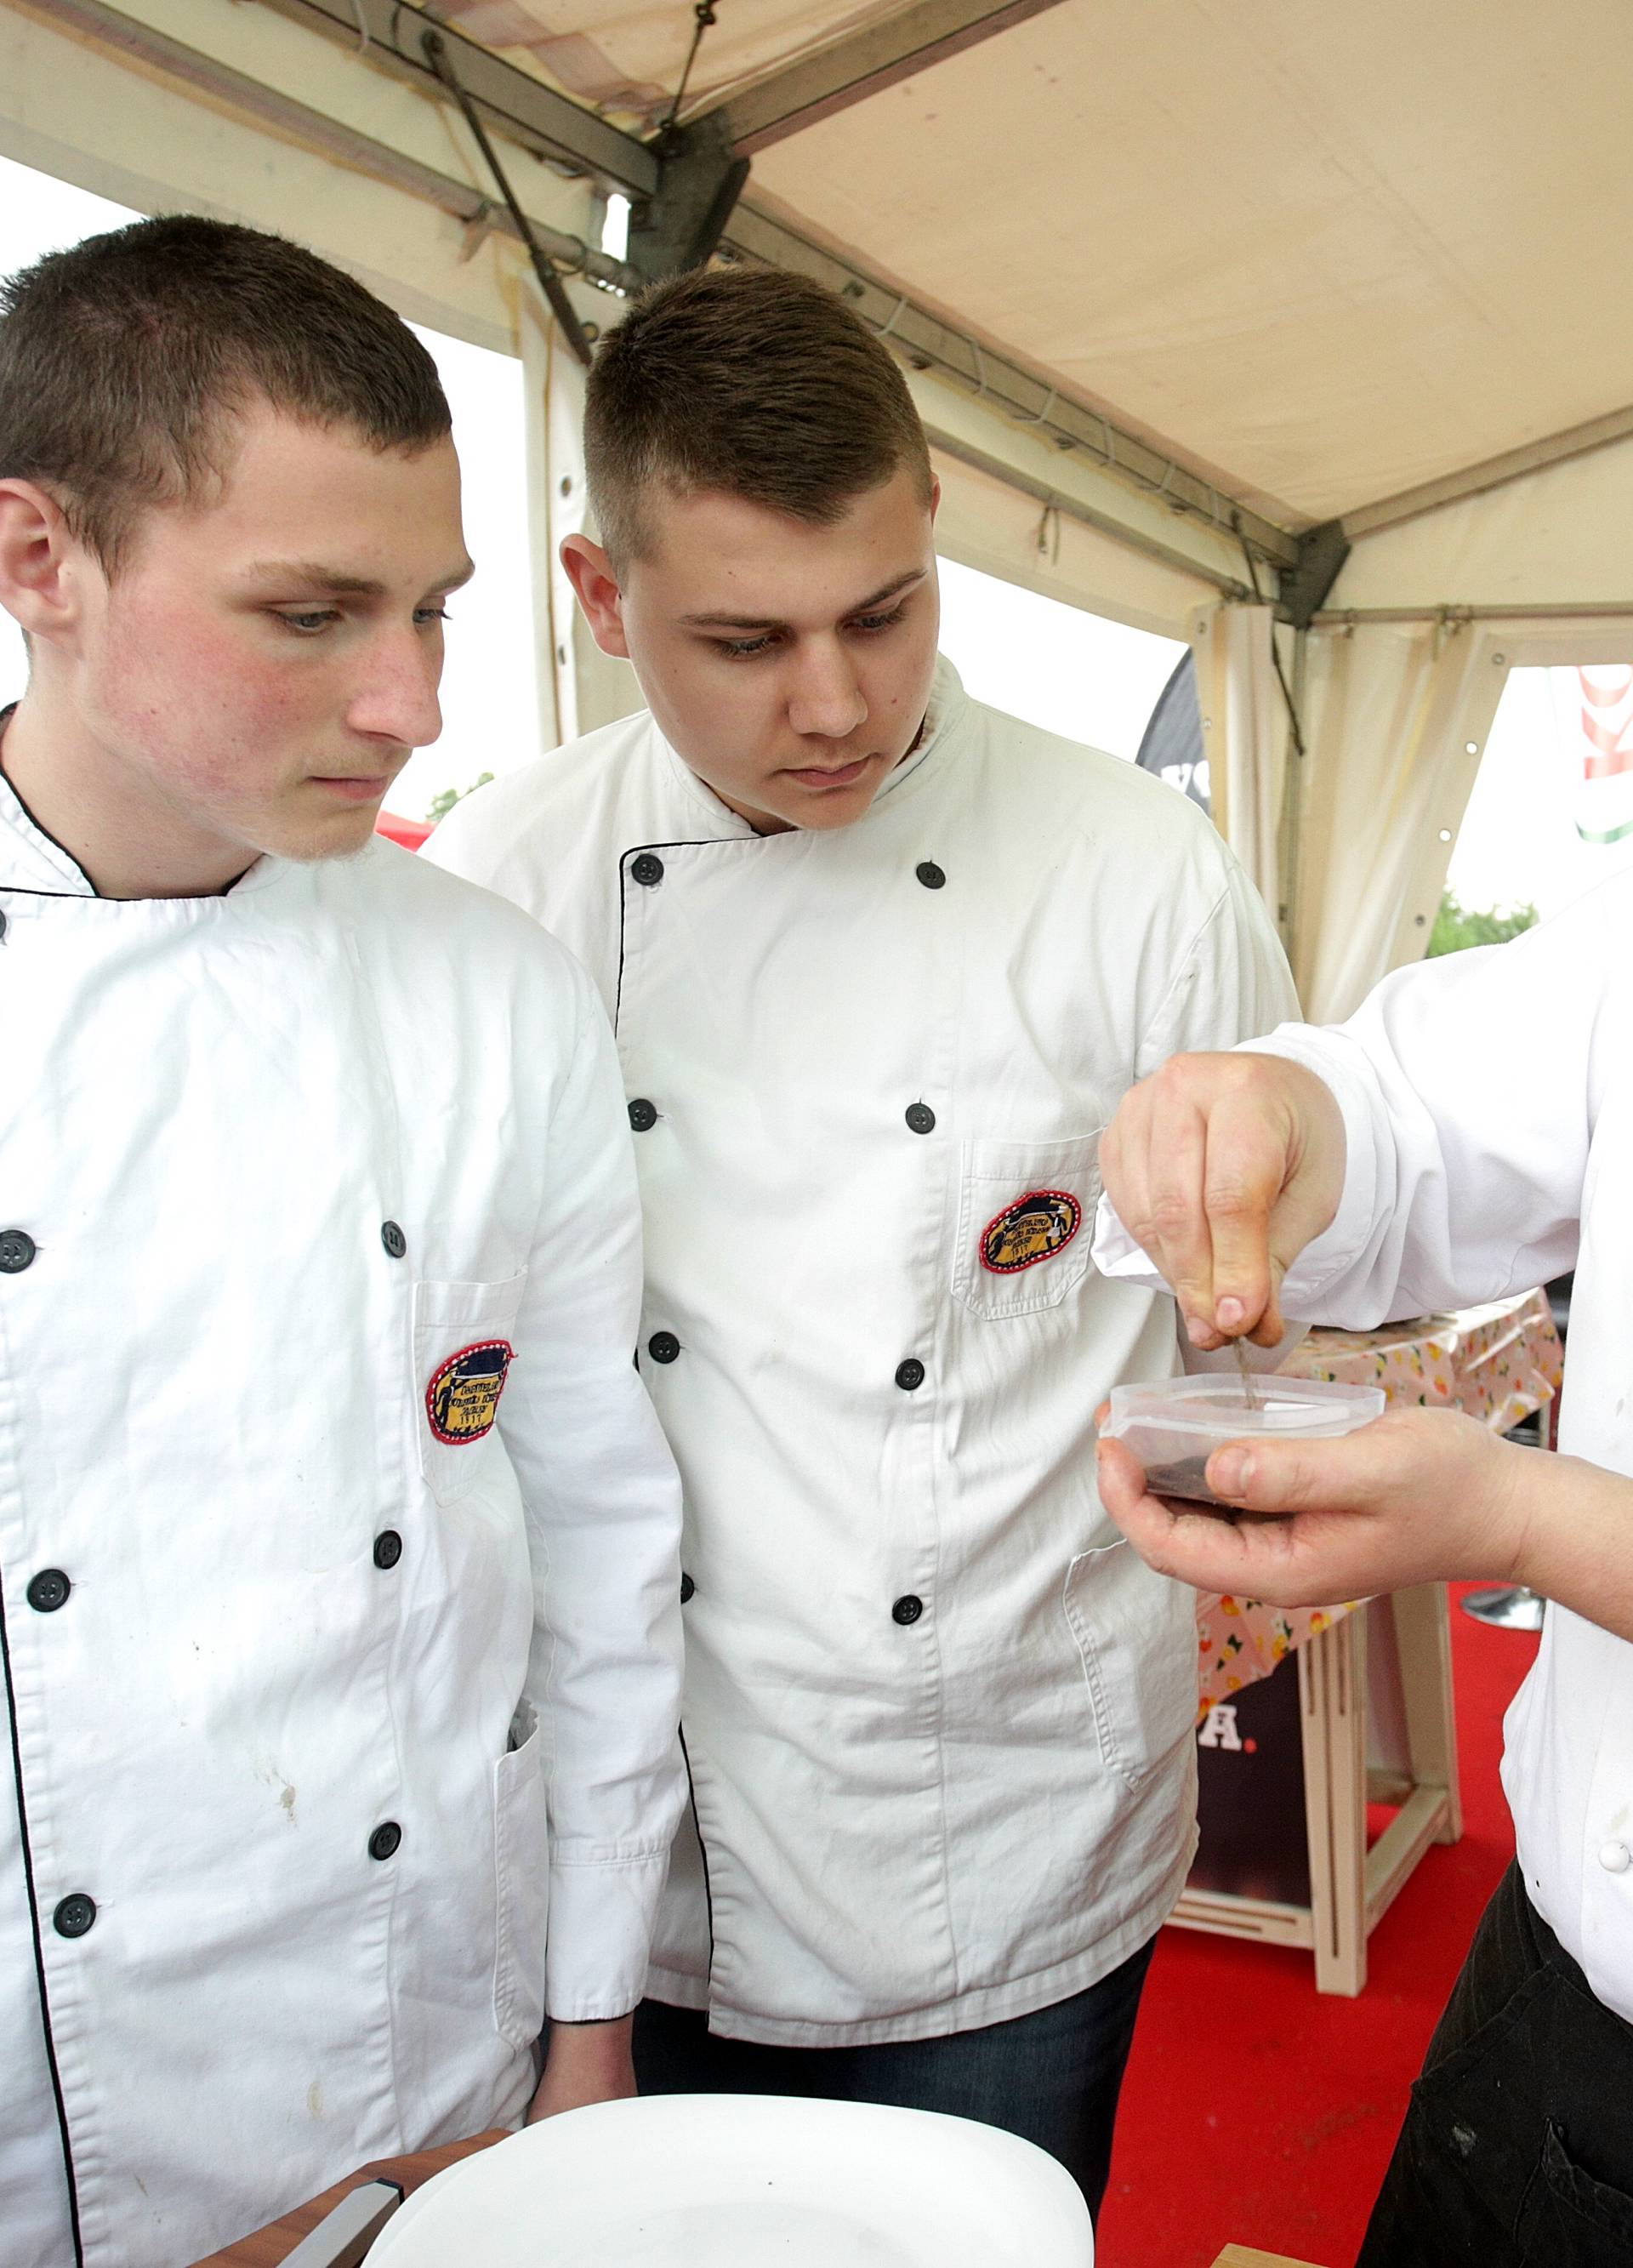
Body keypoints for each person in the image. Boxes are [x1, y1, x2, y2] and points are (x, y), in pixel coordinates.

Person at [425, 262, 1297, 2215]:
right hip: (624, 1862)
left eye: (885, 614)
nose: (836, 704)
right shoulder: (507, 882)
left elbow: (1250, 1312)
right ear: (597, 595)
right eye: (743, 638)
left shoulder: (1133, 870)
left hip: (1000, 1829)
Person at [0, 216, 685, 2268]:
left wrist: (590, 2031)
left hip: (430, 2057)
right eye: (309, 614)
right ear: (36, 561)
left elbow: (597, 1540)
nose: (404, 701)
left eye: (432, 611)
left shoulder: (497, 995)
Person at [1090, 884, 1633, 2263]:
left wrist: (1520, 1517)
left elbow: (1515, 1510)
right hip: (1554, 1970)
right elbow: (1421, 1112)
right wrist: (1288, 1115)